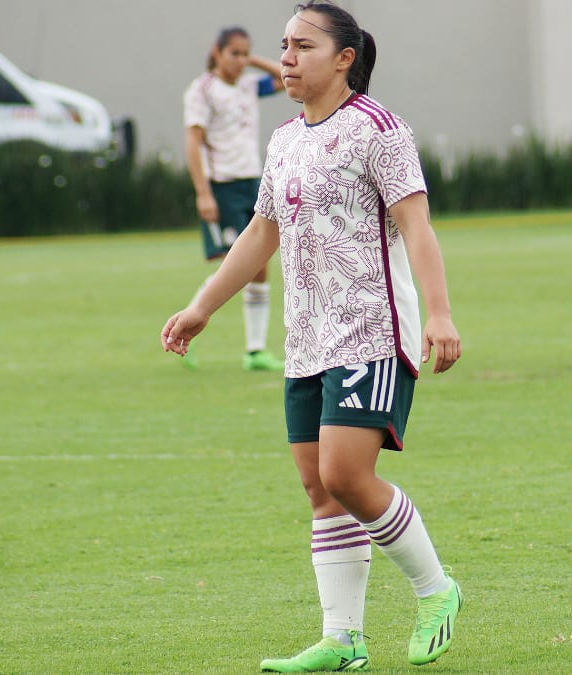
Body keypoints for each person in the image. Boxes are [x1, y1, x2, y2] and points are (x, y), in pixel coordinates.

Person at [162, 2, 463, 670]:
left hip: (370, 332)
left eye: (302, 46)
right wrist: (202, 306)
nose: (286, 59)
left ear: (344, 58)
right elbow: (260, 233)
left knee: (346, 474)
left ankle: (436, 589)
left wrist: (440, 314)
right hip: (307, 338)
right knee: (320, 489)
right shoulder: (284, 140)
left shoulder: (379, 130)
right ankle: (342, 638)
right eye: (284, 45)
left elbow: (417, 227)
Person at [183, 26, 286, 371]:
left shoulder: (247, 85)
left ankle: (255, 351)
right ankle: (187, 323)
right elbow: (193, 142)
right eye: (234, 53)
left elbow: (285, 78)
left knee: (259, 264)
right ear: (217, 52)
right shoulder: (202, 90)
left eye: (246, 53)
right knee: (234, 264)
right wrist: (203, 193)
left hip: (252, 182)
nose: (241, 60)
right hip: (222, 185)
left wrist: (252, 60)